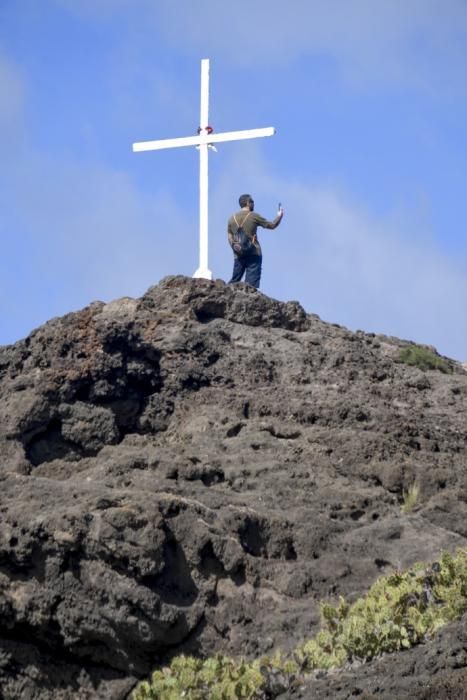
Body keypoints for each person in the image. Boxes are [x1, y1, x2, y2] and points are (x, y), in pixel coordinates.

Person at [227, 194, 284, 289]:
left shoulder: (231, 219)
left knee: (234, 281)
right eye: (252, 201)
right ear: (247, 203)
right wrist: (279, 216)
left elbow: (229, 236)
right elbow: (272, 225)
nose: (254, 203)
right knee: (251, 285)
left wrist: (236, 248)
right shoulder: (254, 216)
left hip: (238, 254)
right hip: (254, 253)